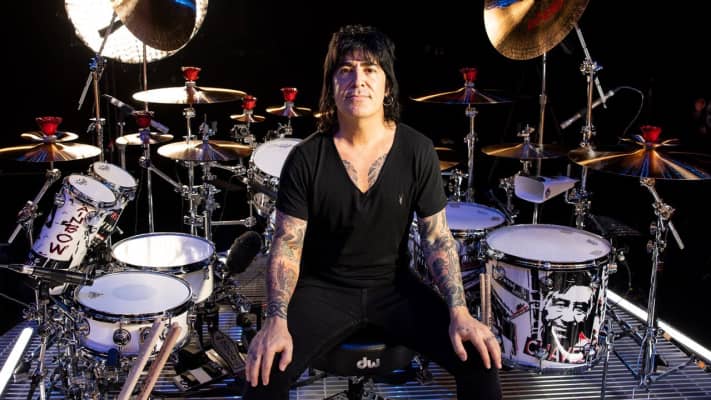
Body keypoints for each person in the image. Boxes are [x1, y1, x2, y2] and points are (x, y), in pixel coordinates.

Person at [243, 24, 502, 399]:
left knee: (480, 362)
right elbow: (287, 244)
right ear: (332, 85)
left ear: (387, 85)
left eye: (370, 69)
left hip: (394, 289)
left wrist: (460, 312)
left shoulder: (417, 150)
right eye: (345, 70)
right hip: (323, 290)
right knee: (264, 375)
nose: (357, 80)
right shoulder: (306, 158)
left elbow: (437, 239)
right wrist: (275, 320)